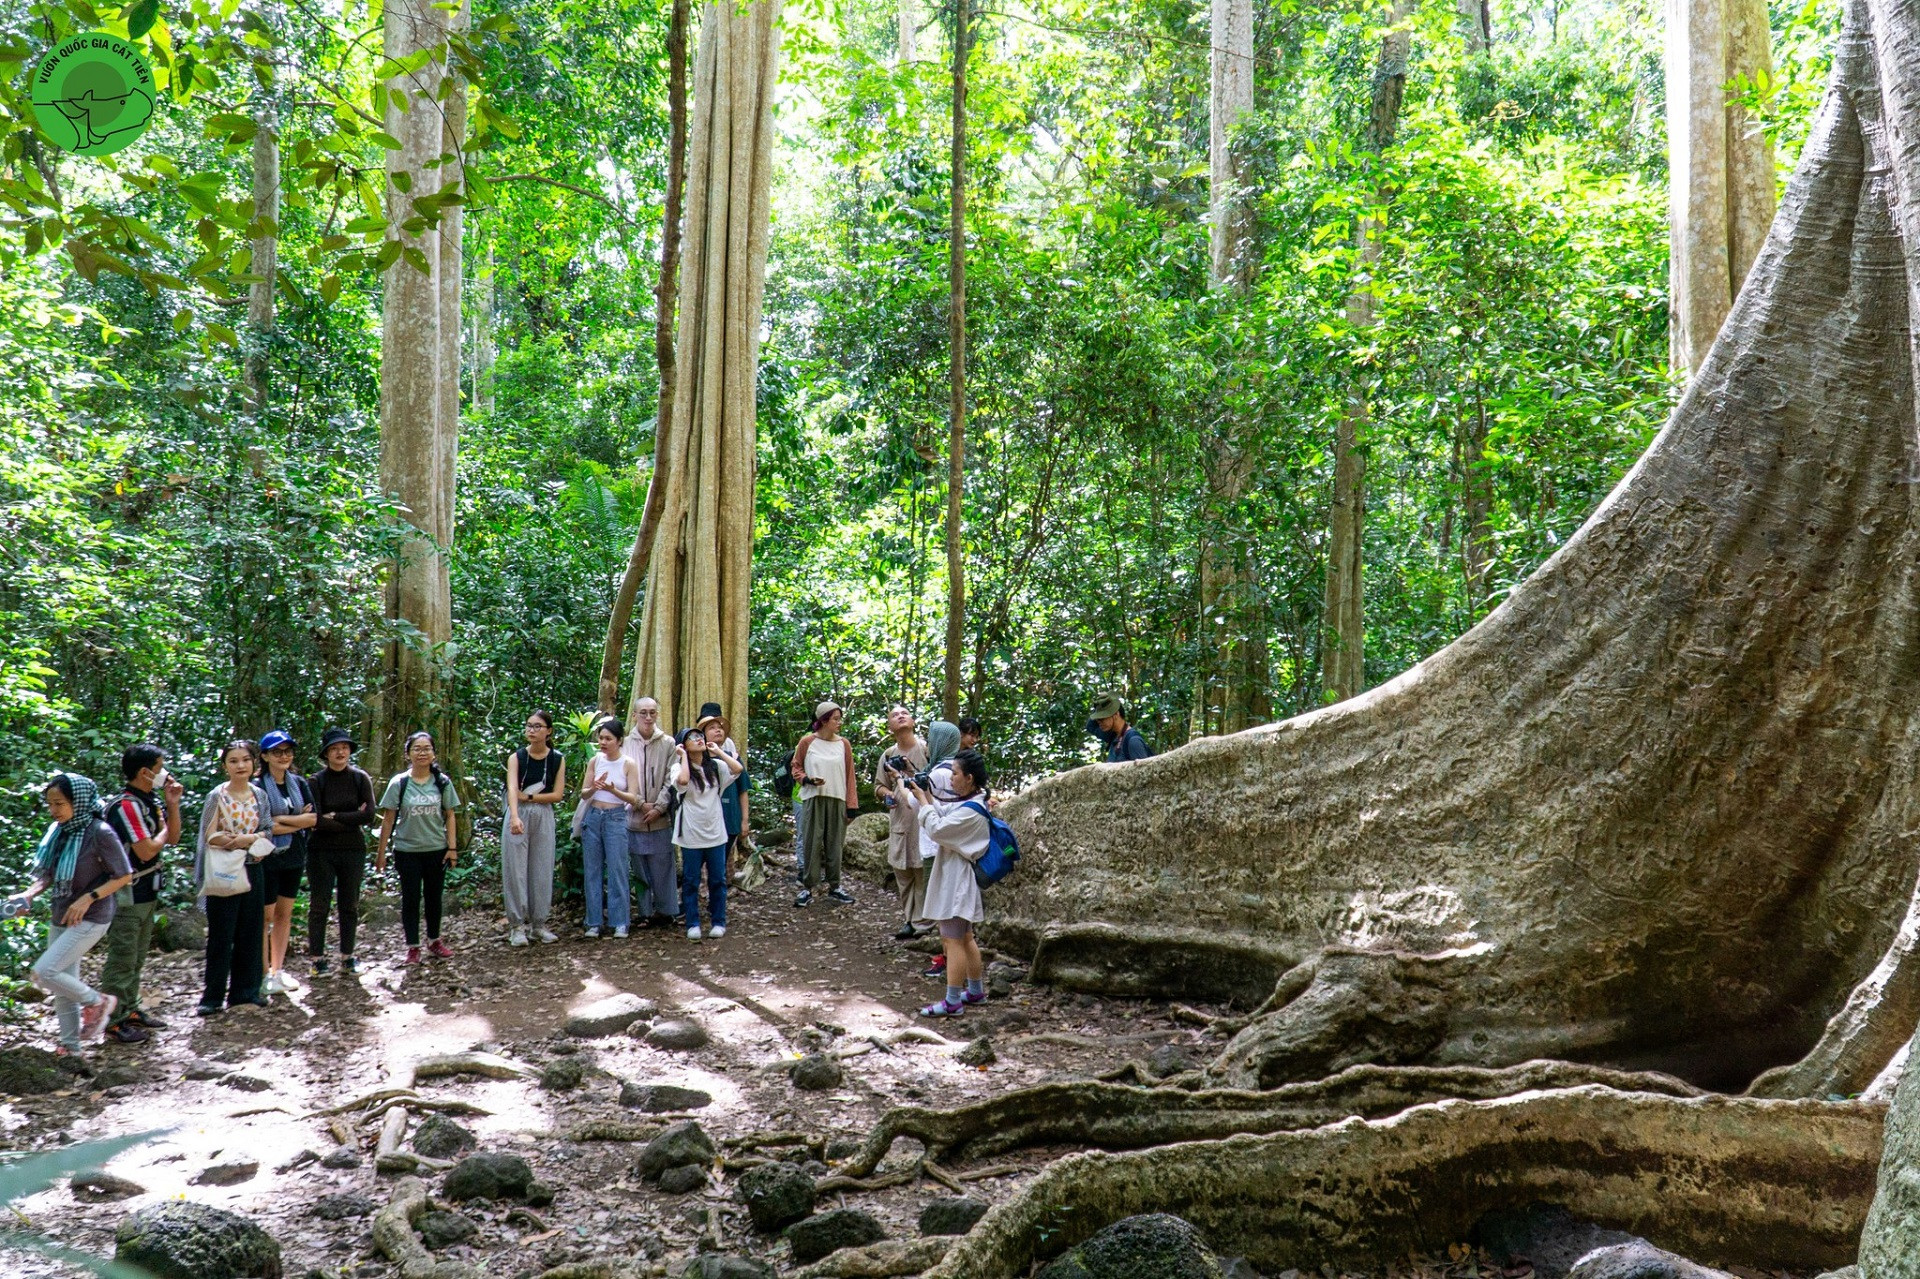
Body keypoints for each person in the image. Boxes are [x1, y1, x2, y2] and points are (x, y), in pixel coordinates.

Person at [8, 774, 134, 1052]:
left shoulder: (100, 832)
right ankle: (71, 1048)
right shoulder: (59, 831)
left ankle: (97, 1001)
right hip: (62, 913)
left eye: (60, 803)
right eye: (50, 804)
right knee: (64, 985)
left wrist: (89, 898)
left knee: (44, 972)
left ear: (78, 801)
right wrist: (28, 895)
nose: (54, 810)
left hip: (92, 916)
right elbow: (48, 874)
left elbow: (124, 875)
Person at [99, 744, 183, 1043]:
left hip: (148, 890)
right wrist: (160, 834)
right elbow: (146, 849)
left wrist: (172, 804)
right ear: (145, 772)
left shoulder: (150, 801)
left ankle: (130, 1009)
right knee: (122, 958)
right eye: (161, 766)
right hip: (126, 893)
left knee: (136, 957)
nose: (166, 772)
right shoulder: (126, 805)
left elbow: (173, 837)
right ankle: (112, 1020)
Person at [901, 750, 992, 1018]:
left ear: (969, 778)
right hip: (960, 878)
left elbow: (939, 830)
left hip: (957, 881)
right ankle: (974, 991)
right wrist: (927, 796)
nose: (950, 778)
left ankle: (953, 1001)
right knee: (965, 937)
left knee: (952, 941)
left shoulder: (971, 811)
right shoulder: (973, 804)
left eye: (954, 773)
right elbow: (945, 816)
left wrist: (922, 801)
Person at [196, 740, 272, 1015]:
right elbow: (208, 833)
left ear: (254, 763)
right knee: (221, 934)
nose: (240, 766)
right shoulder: (217, 796)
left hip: (253, 867)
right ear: (225, 766)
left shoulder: (260, 795)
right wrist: (237, 841)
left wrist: (250, 839)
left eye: (245, 760)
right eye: (233, 761)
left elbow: (267, 829)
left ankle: (245, 992)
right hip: (224, 869)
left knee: (251, 932)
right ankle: (212, 997)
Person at [375, 730, 461, 964]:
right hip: (407, 851)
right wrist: (380, 853)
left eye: (427, 749)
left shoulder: (442, 783)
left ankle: (434, 940)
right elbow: (388, 819)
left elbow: (450, 815)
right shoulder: (399, 783)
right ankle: (413, 946)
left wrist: (452, 848)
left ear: (434, 753)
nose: (422, 753)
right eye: (417, 749)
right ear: (408, 754)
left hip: (436, 850)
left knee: (434, 898)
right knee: (410, 899)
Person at [307, 727, 375, 976]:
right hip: (320, 851)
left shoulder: (360, 778)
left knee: (350, 905)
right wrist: (350, 818)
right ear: (326, 753)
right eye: (335, 748)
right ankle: (317, 959)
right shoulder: (316, 781)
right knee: (319, 905)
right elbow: (315, 819)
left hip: (353, 850)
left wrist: (335, 816)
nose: (340, 752)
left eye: (344, 747)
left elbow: (369, 815)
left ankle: (348, 956)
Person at [257, 729, 316, 996]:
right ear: (265, 756)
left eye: (288, 752)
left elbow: (313, 820)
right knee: (265, 917)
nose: (284, 757)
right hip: (266, 859)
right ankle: (262, 973)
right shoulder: (257, 787)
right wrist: (296, 821)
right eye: (277, 752)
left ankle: (278, 970)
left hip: (294, 857)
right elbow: (262, 825)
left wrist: (282, 822)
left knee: (284, 915)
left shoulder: (300, 784)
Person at [673, 727, 743, 940]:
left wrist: (718, 751)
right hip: (691, 833)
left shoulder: (716, 766)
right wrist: (684, 756)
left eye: (699, 736)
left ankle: (718, 921)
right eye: (692, 738)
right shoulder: (677, 769)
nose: (699, 739)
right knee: (691, 880)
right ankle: (693, 923)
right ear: (683, 745)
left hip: (715, 832)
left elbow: (738, 769)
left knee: (718, 880)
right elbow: (683, 781)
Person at [503, 709, 567, 946]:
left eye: (538, 726)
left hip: (543, 814)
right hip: (517, 813)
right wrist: (515, 816)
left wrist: (529, 797)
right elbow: (512, 790)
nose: (532, 730)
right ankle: (517, 926)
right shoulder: (516, 757)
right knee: (516, 869)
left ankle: (539, 924)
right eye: (529, 725)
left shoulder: (557, 759)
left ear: (548, 731)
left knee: (541, 867)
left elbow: (557, 794)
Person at [790, 701, 858, 908]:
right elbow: (796, 767)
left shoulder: (843, 744)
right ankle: (808, 887)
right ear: (824, 721)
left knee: (835, 843)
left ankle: (835, 886)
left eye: (839, 718)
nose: (839, 723)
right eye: (835, 719)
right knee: (811, 841)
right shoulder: (807, 742)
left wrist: (851, 805)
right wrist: (807, 780)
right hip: (813, 798)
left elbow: (849, 775)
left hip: (837, 798)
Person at [578, 717, 640, 938]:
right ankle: (594, 922)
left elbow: (633, 798)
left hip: (616, 817)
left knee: (617, 869)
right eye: (601, 738)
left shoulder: (628, 764)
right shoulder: (595, 761)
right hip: (593, 816)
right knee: (593, 870)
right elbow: (583, 794)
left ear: (619, 740)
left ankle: (620, 921)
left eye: (608, 738)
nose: (603, 742)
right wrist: (594, 787)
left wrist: (614, 790)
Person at [873, 707, 929, 940]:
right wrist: (887, 794)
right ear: (890, 727)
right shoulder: (887, 755)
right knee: (903, 873)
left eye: (905, 713)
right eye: (895, 715)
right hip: (900, 820)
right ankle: (909, 920)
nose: (901, 716)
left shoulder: (926, 749)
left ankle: (923, 923)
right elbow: (878, 785)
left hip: (923, 819)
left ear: (914, 721)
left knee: (922, 871)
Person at [623, 698, 678, 929]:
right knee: (639, 866)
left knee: (663, 864)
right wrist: (639, 802)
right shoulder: (625, 743)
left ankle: (666, 911)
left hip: (660, 817)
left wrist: (659, 807)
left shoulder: (668, 743)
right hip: (633, 817)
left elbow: (671, 778)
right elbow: (622, 778)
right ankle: (644, 912)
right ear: (634, 715)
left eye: (652, 712)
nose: (648, 717)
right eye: (643, 713)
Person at [914, 720, 963, 981]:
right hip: (947, 845)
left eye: (932, 739)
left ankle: (947, 959)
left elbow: (919, 805)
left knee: (943, 909)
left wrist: (903, 783)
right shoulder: (956, 769)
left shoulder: (938, 773)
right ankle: (949, 957)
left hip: (936, 846)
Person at [697, 704, 751, 884]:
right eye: (712, 728)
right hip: (704, 820)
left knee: (724, 856)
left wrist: (744, 820)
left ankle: (720, 893)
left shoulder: (733, 757)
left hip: (730, 817)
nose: (717, 730)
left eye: (720, 727)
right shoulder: (696, 759)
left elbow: (743, 790)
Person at [1087, 693, 1153, 762]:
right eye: (1097, 719)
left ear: (1116, 714)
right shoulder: (1114, 736)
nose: (1098, 722)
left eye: (1102, 718)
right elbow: (1090, 726)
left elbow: (1143, 771)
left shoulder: (1133, 741)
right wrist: (1101, 703)